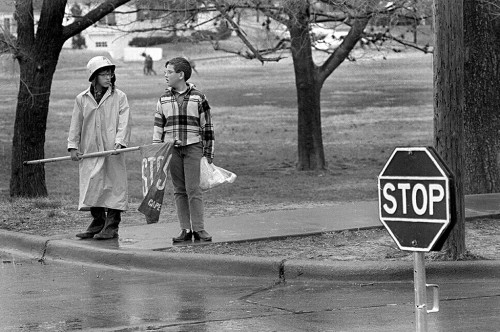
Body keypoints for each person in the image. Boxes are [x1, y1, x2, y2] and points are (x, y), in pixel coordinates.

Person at [68, 56, 132, 240]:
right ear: (94, 76)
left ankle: (112, 226)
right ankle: (97, 222)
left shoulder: (120, 97)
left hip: (112, 149)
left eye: (110, 74)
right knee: (93, 184)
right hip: (90, 149)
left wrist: (120, 142)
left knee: (114, 186)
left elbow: (125, 122)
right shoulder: (82, 99)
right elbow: (75, 124)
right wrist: (73, 146)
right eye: (104, 74)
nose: (108, 78)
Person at [153, 57, 214, 244]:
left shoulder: (198, 97)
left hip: (194, 148)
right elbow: (158, 127)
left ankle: (199, 228)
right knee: (179, 190)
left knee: (193, 189)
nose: (165, 75)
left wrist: (208, 153)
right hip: (172, 151)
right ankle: (185, 229)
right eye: (165, 72)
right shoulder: (163, 99)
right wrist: (158, 151)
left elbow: (207, 127)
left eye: (169, 72)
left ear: (181, 75)